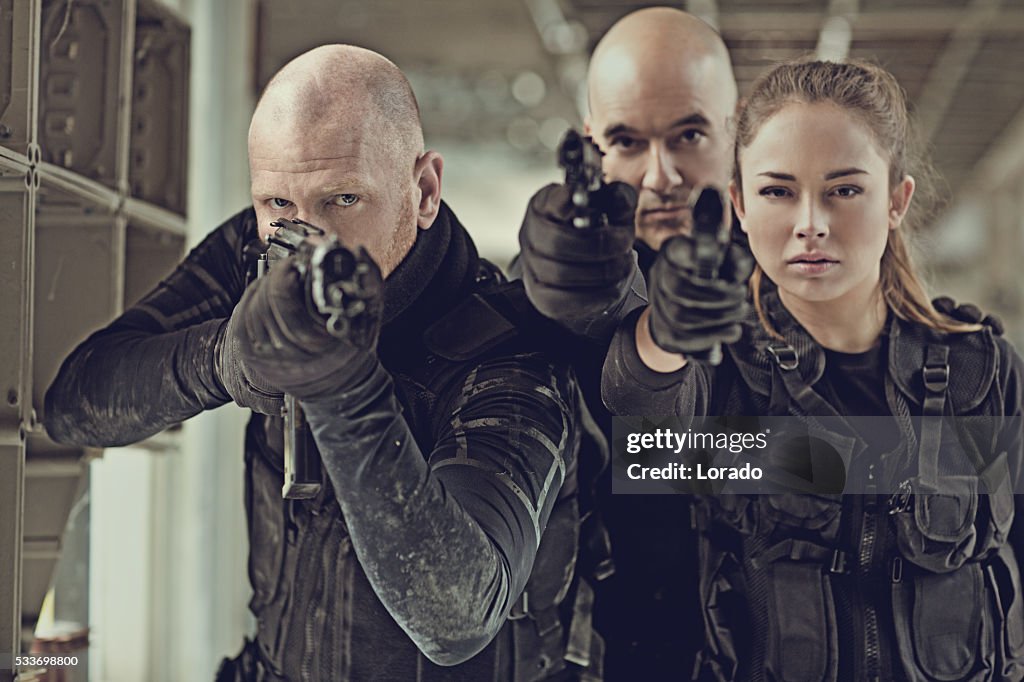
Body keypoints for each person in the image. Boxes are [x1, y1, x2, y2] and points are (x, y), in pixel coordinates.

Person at [44, 45, 600, 681]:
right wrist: (228, 360)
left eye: (343, 200)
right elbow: (74, 404)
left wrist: (343, 388)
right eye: (278, 204)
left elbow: (456, 621)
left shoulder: (510, 355)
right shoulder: (262, 248)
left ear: (423, 191)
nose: (305, 240)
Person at [603, 58, 1024, 681]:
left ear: (897, 201)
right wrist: (665, 333)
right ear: (740, 206)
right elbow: (641, 430)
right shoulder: (715, 369)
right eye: (778, 191)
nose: (810, 224)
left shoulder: (981, 371)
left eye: (844, 189)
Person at [514, 8, 738, 678]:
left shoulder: (800, 268)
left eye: (689, 134)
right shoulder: (545, 287)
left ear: (736, 127)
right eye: (628, 142)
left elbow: (871, 467)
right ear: (593, 145)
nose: (660, 176)